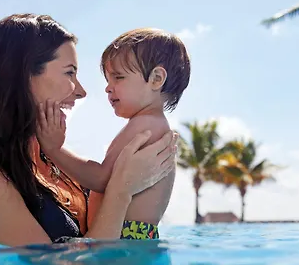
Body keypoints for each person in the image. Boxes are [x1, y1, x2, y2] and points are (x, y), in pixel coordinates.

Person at [0, 14, 177, 246]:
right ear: (21, 77)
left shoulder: (59, 169)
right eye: (69, 72)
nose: (81, 91)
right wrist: (121, 190)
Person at [36, 28, 190, 239]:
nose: (108, 88)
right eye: (108, 79)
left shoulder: (144, 125)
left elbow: (101, 179)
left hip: (123, 235)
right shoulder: (154, 124)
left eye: (118, 77)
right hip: (138, 237)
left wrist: (54, 149)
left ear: (156, 78)